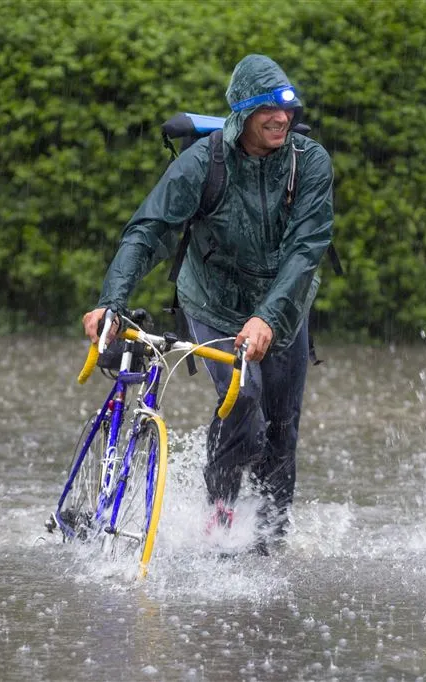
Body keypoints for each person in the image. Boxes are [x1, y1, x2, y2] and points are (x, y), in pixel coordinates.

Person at [81, 54, 334, 554]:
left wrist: (268, 316)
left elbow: (307, 249)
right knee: (244, 395)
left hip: (283, 306)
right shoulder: (202, 163)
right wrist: (111, 301)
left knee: (282, 428)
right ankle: (220, 514)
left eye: (287, 110)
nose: (281, 119)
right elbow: (149, 230)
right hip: (213, 302)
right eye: (267, 111)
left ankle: (269, 544)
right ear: (242, 113)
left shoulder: (310, 162)